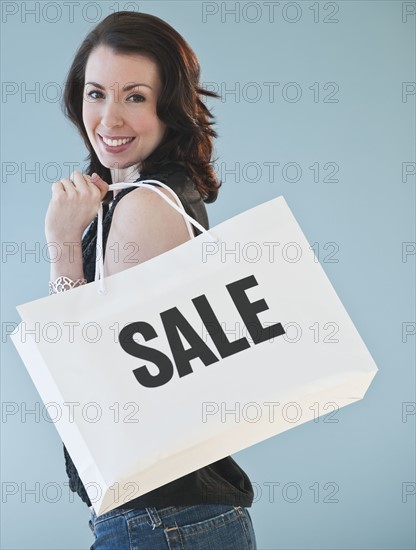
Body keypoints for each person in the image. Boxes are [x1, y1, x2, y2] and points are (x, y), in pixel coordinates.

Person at [44, 10, 257, 550]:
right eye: (96, 93)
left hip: (161, 520)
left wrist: (64, 247)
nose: (109, 118)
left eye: (135, 96)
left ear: (169, 105)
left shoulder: (144, 206)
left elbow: (100, 379)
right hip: (176, 517)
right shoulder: (153, 193)